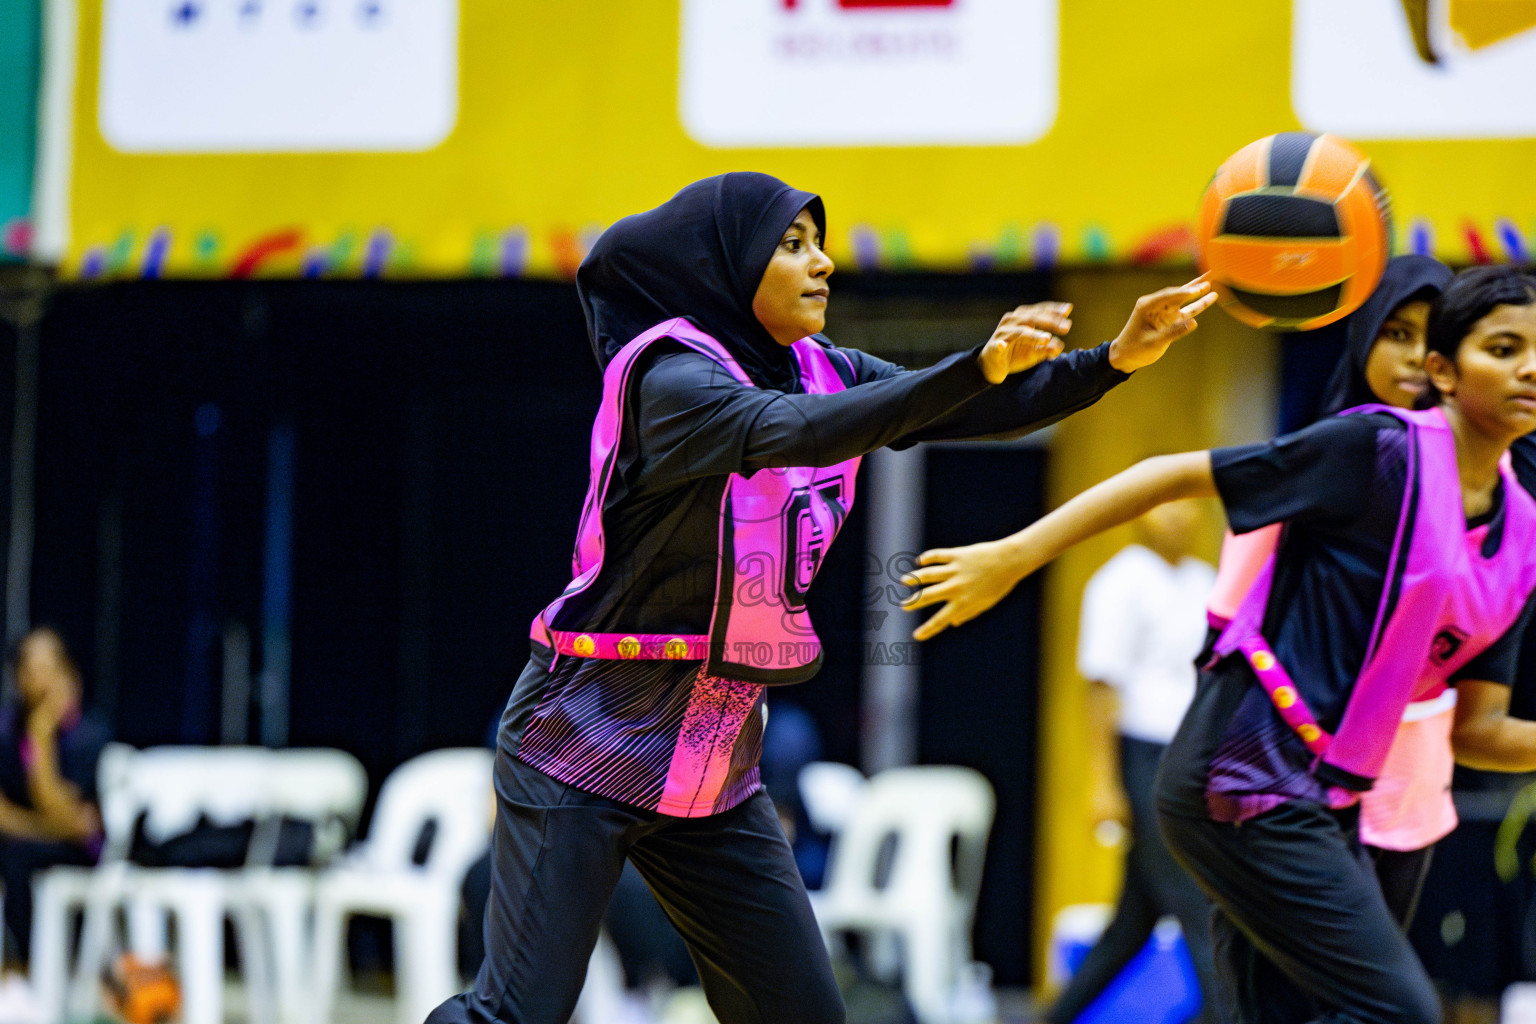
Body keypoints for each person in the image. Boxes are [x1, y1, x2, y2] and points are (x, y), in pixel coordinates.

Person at [427, 171, 1216, 1024]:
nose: (824, 264)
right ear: (723, 270)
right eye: (793, 246)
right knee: (515, 1016)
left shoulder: (824, 371)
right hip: (585, 739)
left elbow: (969, 405)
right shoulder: (668, 382)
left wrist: (1114, 360)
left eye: (821, 242)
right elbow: (789, 431)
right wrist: (974, 366)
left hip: (711, 758)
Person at [903, 265, 1536, 1024]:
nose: (1530, 368)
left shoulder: (1520, 533)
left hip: (1336, 792)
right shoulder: (1373, 450)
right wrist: (1013, 554)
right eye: (1504, 348)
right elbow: (1166, 475)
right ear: (1444, 369)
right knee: (1396, 1011)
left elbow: (1479, 730)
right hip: (1242, 772)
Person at [1205, 254, 1456, 930]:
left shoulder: (1483, 486)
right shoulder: (1320, 457)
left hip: (1410, 793)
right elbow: (1224, 626)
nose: (1415, 360)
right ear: (1362, 334)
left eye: (1434, 341)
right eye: (1396, 333)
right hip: (1290, 784)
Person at [1041, 501, 1219, 1024]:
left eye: (1189, 507)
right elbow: (1101, 687)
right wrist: (1102, 782)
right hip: (1142, 752)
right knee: (1195, 896)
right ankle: (1224, 1013)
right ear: (1142, 514)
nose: (1180, 517)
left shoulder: (1203, 580)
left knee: (1133, 923)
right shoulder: (1118, 583)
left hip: (1192, 754)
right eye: (1167, 505)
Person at [0, 627, 109, 966]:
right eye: (31, 670)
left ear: (69, 676)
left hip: (80, 855)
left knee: (17, 859)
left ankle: (33, 969)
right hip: (22, 841)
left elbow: (72, 821)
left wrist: (41, 737)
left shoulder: (87, 735)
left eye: (49, 668)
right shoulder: (7, 729)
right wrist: (45, 827)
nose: (40, 680)